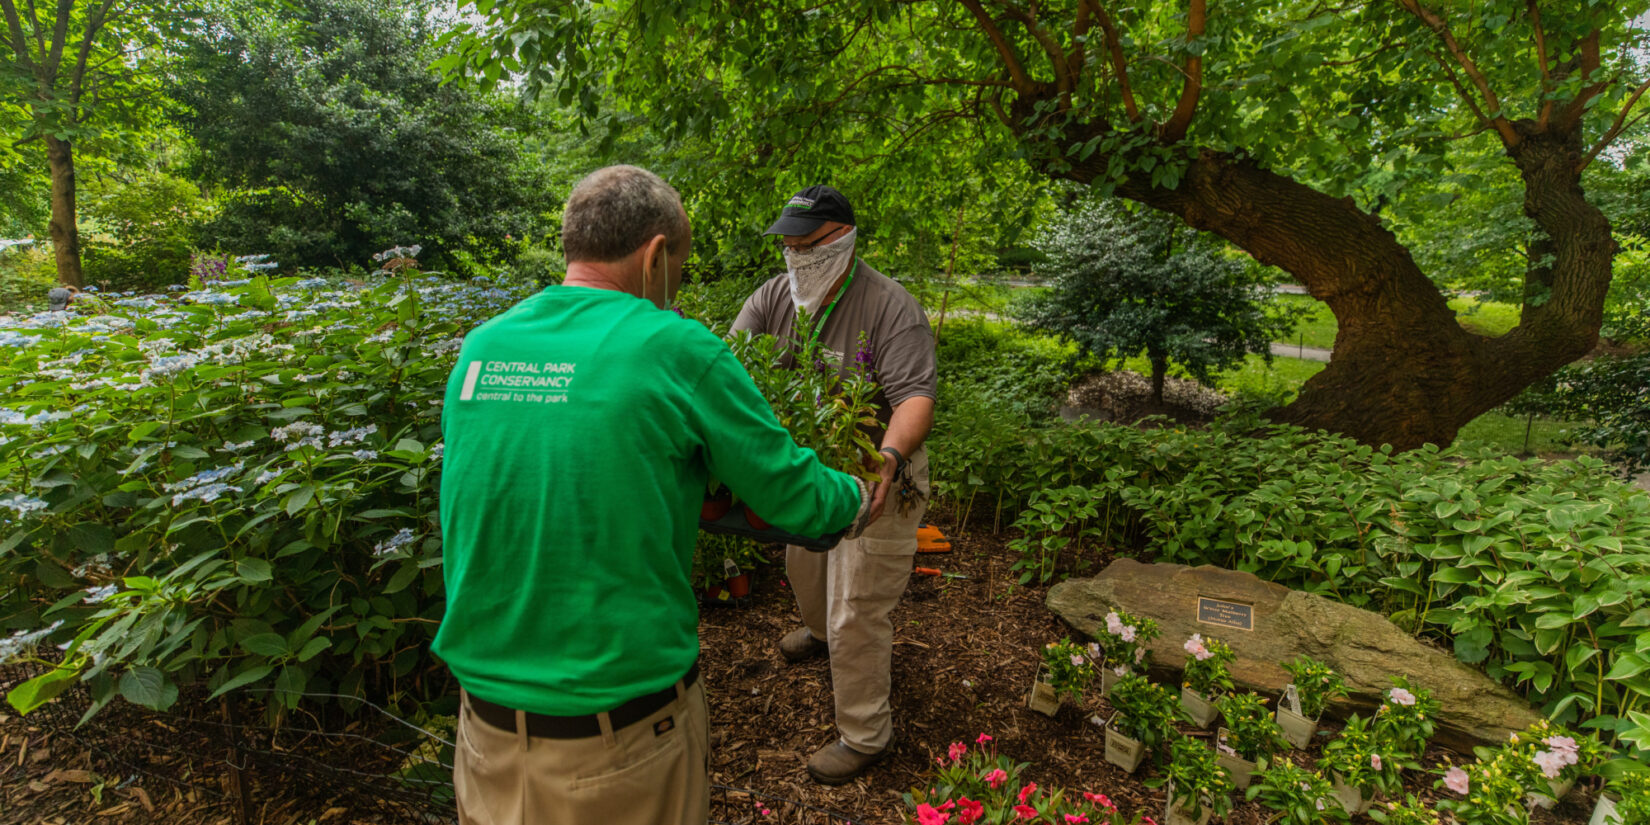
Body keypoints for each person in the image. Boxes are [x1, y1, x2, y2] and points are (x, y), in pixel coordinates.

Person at [433, 166, 873, 825]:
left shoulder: (482, 350)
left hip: (484, 739)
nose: (678, 284)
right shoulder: (672, 346)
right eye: (682, 265)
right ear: (656, 254)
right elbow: (796, 495)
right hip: (618, 747)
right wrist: (858, 495)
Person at [731, 184, 937, 785]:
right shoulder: (774, 297)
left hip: (880, 476)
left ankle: (867, 734)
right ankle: (820, 635)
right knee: (805, 566)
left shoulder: (891, 306)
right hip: (814, 472)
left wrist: (890, 458)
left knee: (858, 607)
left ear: (843, 238)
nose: (796, 256)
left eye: (808, 243)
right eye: (787, 245)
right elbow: (733, 366)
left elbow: (915, 399)